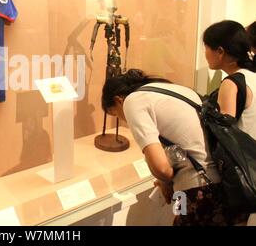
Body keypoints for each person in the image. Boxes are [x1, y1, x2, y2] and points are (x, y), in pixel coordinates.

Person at [102, 69, 249, 226]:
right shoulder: (176, 90)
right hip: (229, 183)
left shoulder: (132, 101)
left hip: (199, 190)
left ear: (118, 100)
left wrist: (164, 180)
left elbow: (162, 169)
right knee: (179, 218)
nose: (122, 119)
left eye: (115, 114)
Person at [203, 20, 256, 225]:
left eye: (206, 48)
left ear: (220, 51)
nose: (205, 53)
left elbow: (224, 134)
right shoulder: (252, 76)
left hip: (240, 172)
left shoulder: (231, 83)